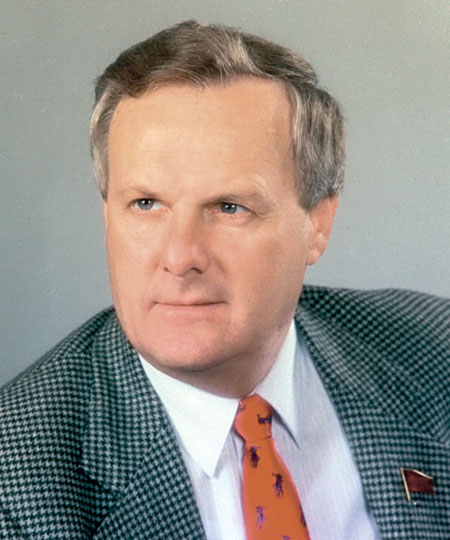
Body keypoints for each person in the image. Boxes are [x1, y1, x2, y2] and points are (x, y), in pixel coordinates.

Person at [0, 20, 448, 540]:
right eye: (145, 203)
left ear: (318, 224)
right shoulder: (17, 482)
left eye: (229, 207)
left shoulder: (434, 350)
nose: (180, 257)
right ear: (107, 217)